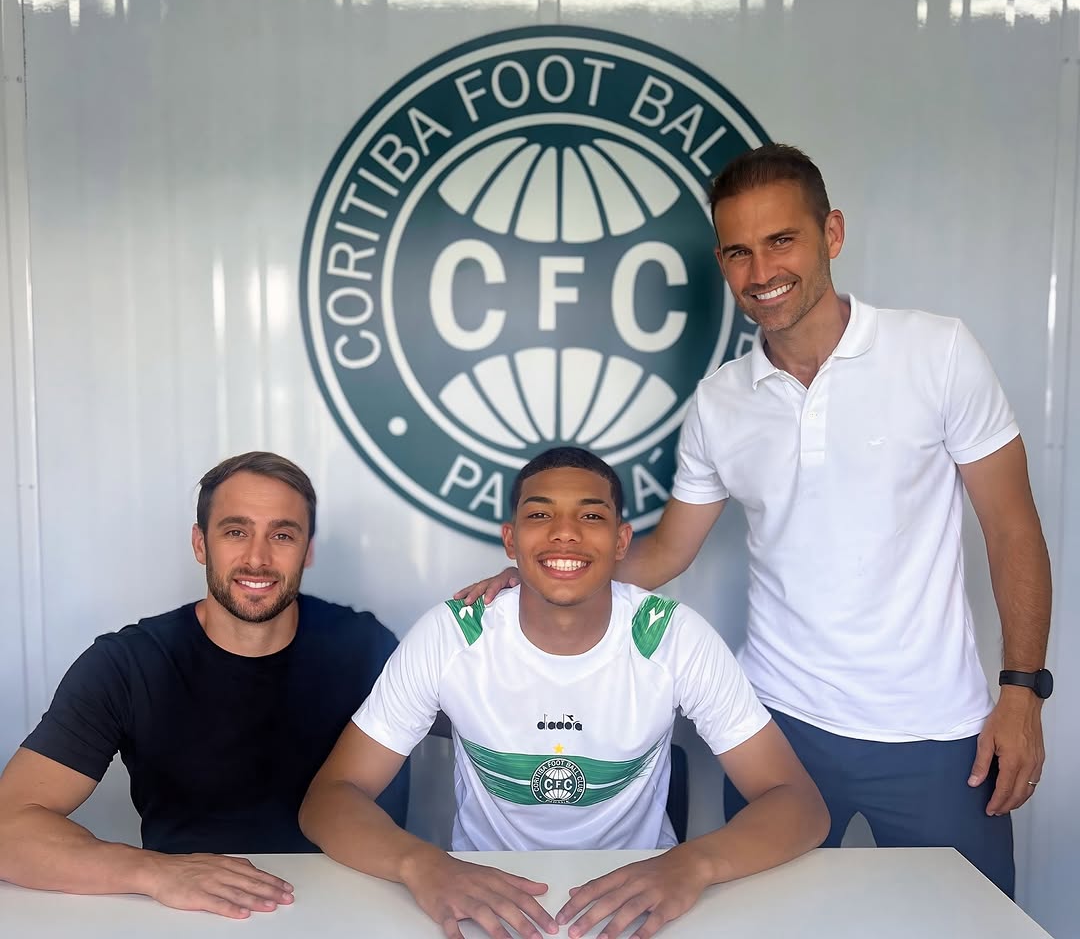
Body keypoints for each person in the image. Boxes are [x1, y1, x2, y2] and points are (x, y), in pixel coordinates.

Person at [459, 144, 1052, 898]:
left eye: (782, 241)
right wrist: (542, 577)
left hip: (939, 733)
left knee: (969, 924)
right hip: (779, 729)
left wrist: (1023, 693)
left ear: (831, 234)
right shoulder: (720, 400)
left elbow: (1013, 529)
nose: (761, 271)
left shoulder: (937, 351)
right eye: (738, 252)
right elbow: (671, 548)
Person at [300, 447, 828, 939]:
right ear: (511, 540)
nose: (565, 534)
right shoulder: (452, 632)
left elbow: (798, 804)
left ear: (621, 541)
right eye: (540, 515)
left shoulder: (672, 636)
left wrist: (693, 863)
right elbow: (330, 798)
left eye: (592, 516)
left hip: (643, 905)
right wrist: (424, 865)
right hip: (483, 905)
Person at [0, 451, 407, 918]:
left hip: (358, 911)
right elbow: (7, 829)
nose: (257, 557)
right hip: (189, 917)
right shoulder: (128, 663)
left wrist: (512, 590)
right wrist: (155, 872)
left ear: (308, 549)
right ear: (200, 544)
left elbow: (485, 685)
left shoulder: (368, 648)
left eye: (282, 535)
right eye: (235, 531)